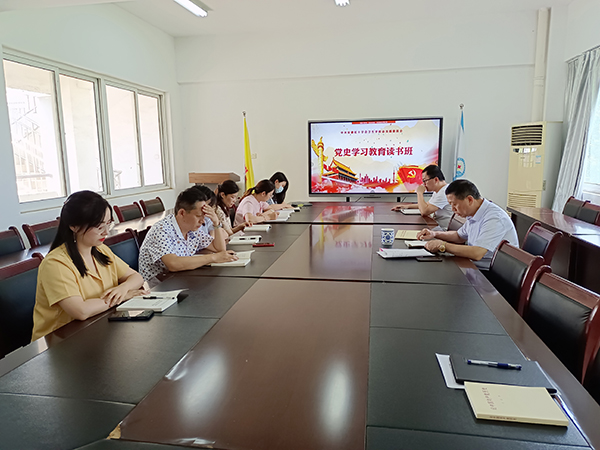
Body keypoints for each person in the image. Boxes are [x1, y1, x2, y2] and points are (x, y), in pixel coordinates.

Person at [31, 191, 146, 341]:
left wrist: (122, 289)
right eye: (99, 226)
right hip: (61, 342)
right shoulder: (56, 264)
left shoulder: (101, 250)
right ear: (74, 226)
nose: (106, 232)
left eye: (108, 223)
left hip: (98, 329)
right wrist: (121, 297)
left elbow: (136, 277)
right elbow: (81, 311)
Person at [138, 187, 237, 281]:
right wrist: (213, 258)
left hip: (180, 279)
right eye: (198, 216)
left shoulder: (192, 230)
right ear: (182, 213)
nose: (203, 221)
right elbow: (173, 263)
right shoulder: (162, 230)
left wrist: (216, 223)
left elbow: (219, 249)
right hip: (157, 286)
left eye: (204, 216)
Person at [416, 179, 518, 269]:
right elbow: (459, 236)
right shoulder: (474, 212)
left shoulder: (494, 218)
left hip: (490, 275)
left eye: (454, 204)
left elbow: (477, 253)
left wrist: (443, 246)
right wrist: (434, 234)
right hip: (474, 266)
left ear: (469, 199)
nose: (452, 209)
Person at [392, 164, 453, 229]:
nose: (424, 184)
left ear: (436, 179)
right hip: (435, 226)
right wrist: (406, 206)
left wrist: (419, 193)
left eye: (425, 181)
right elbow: (427, 205)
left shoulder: (444, 192)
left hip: (442, 230)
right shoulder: (439, 190)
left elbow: (424, 211)